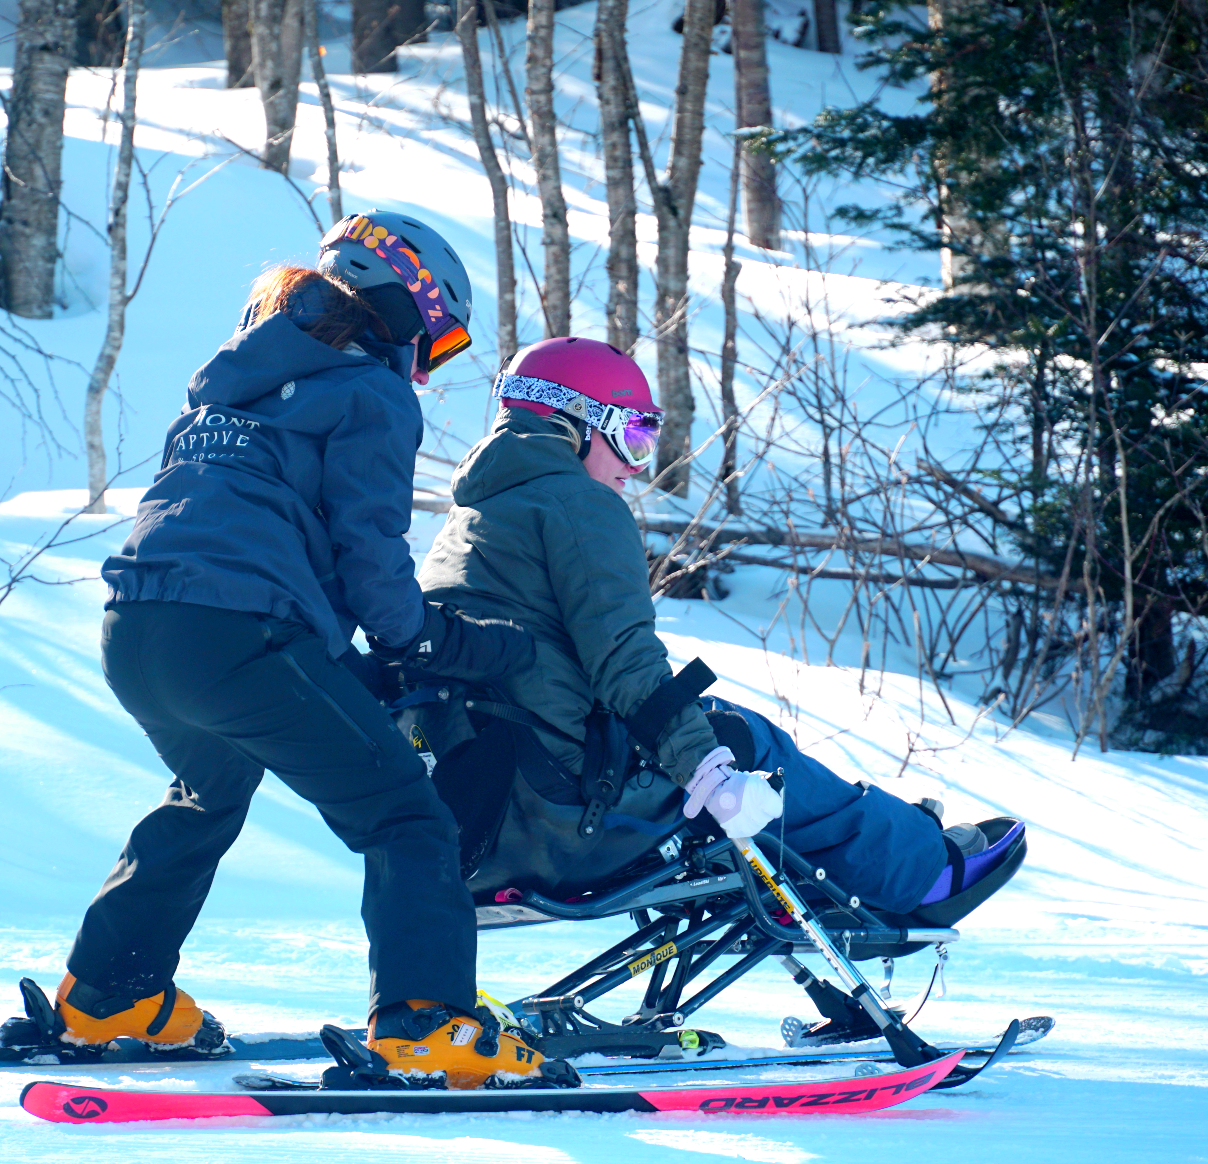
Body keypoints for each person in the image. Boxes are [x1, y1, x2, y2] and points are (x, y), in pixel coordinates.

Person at [56, 211, 551, 1090]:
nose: (429, 364)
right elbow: (369, 552)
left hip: (136, 628)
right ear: (410, 307)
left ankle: (110, 997)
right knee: (405, 817)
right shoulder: (371, 391)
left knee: (209, 792)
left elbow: (256, 536)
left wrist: (354, 661)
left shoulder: (223, 385)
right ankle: (428, 1026)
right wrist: (429, 642)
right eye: (441, 338)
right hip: (237, 635)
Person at [411, 336, 1024, 924]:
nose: (635, 466)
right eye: (631, 435)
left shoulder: (471, 518)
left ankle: (860, 868)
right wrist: (708, 767)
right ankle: (925, 872)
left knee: (703, 743)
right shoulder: (580, 505)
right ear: (572, 423)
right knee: (740, 739)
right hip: (565, 814)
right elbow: (625, 661)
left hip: (480, 822)